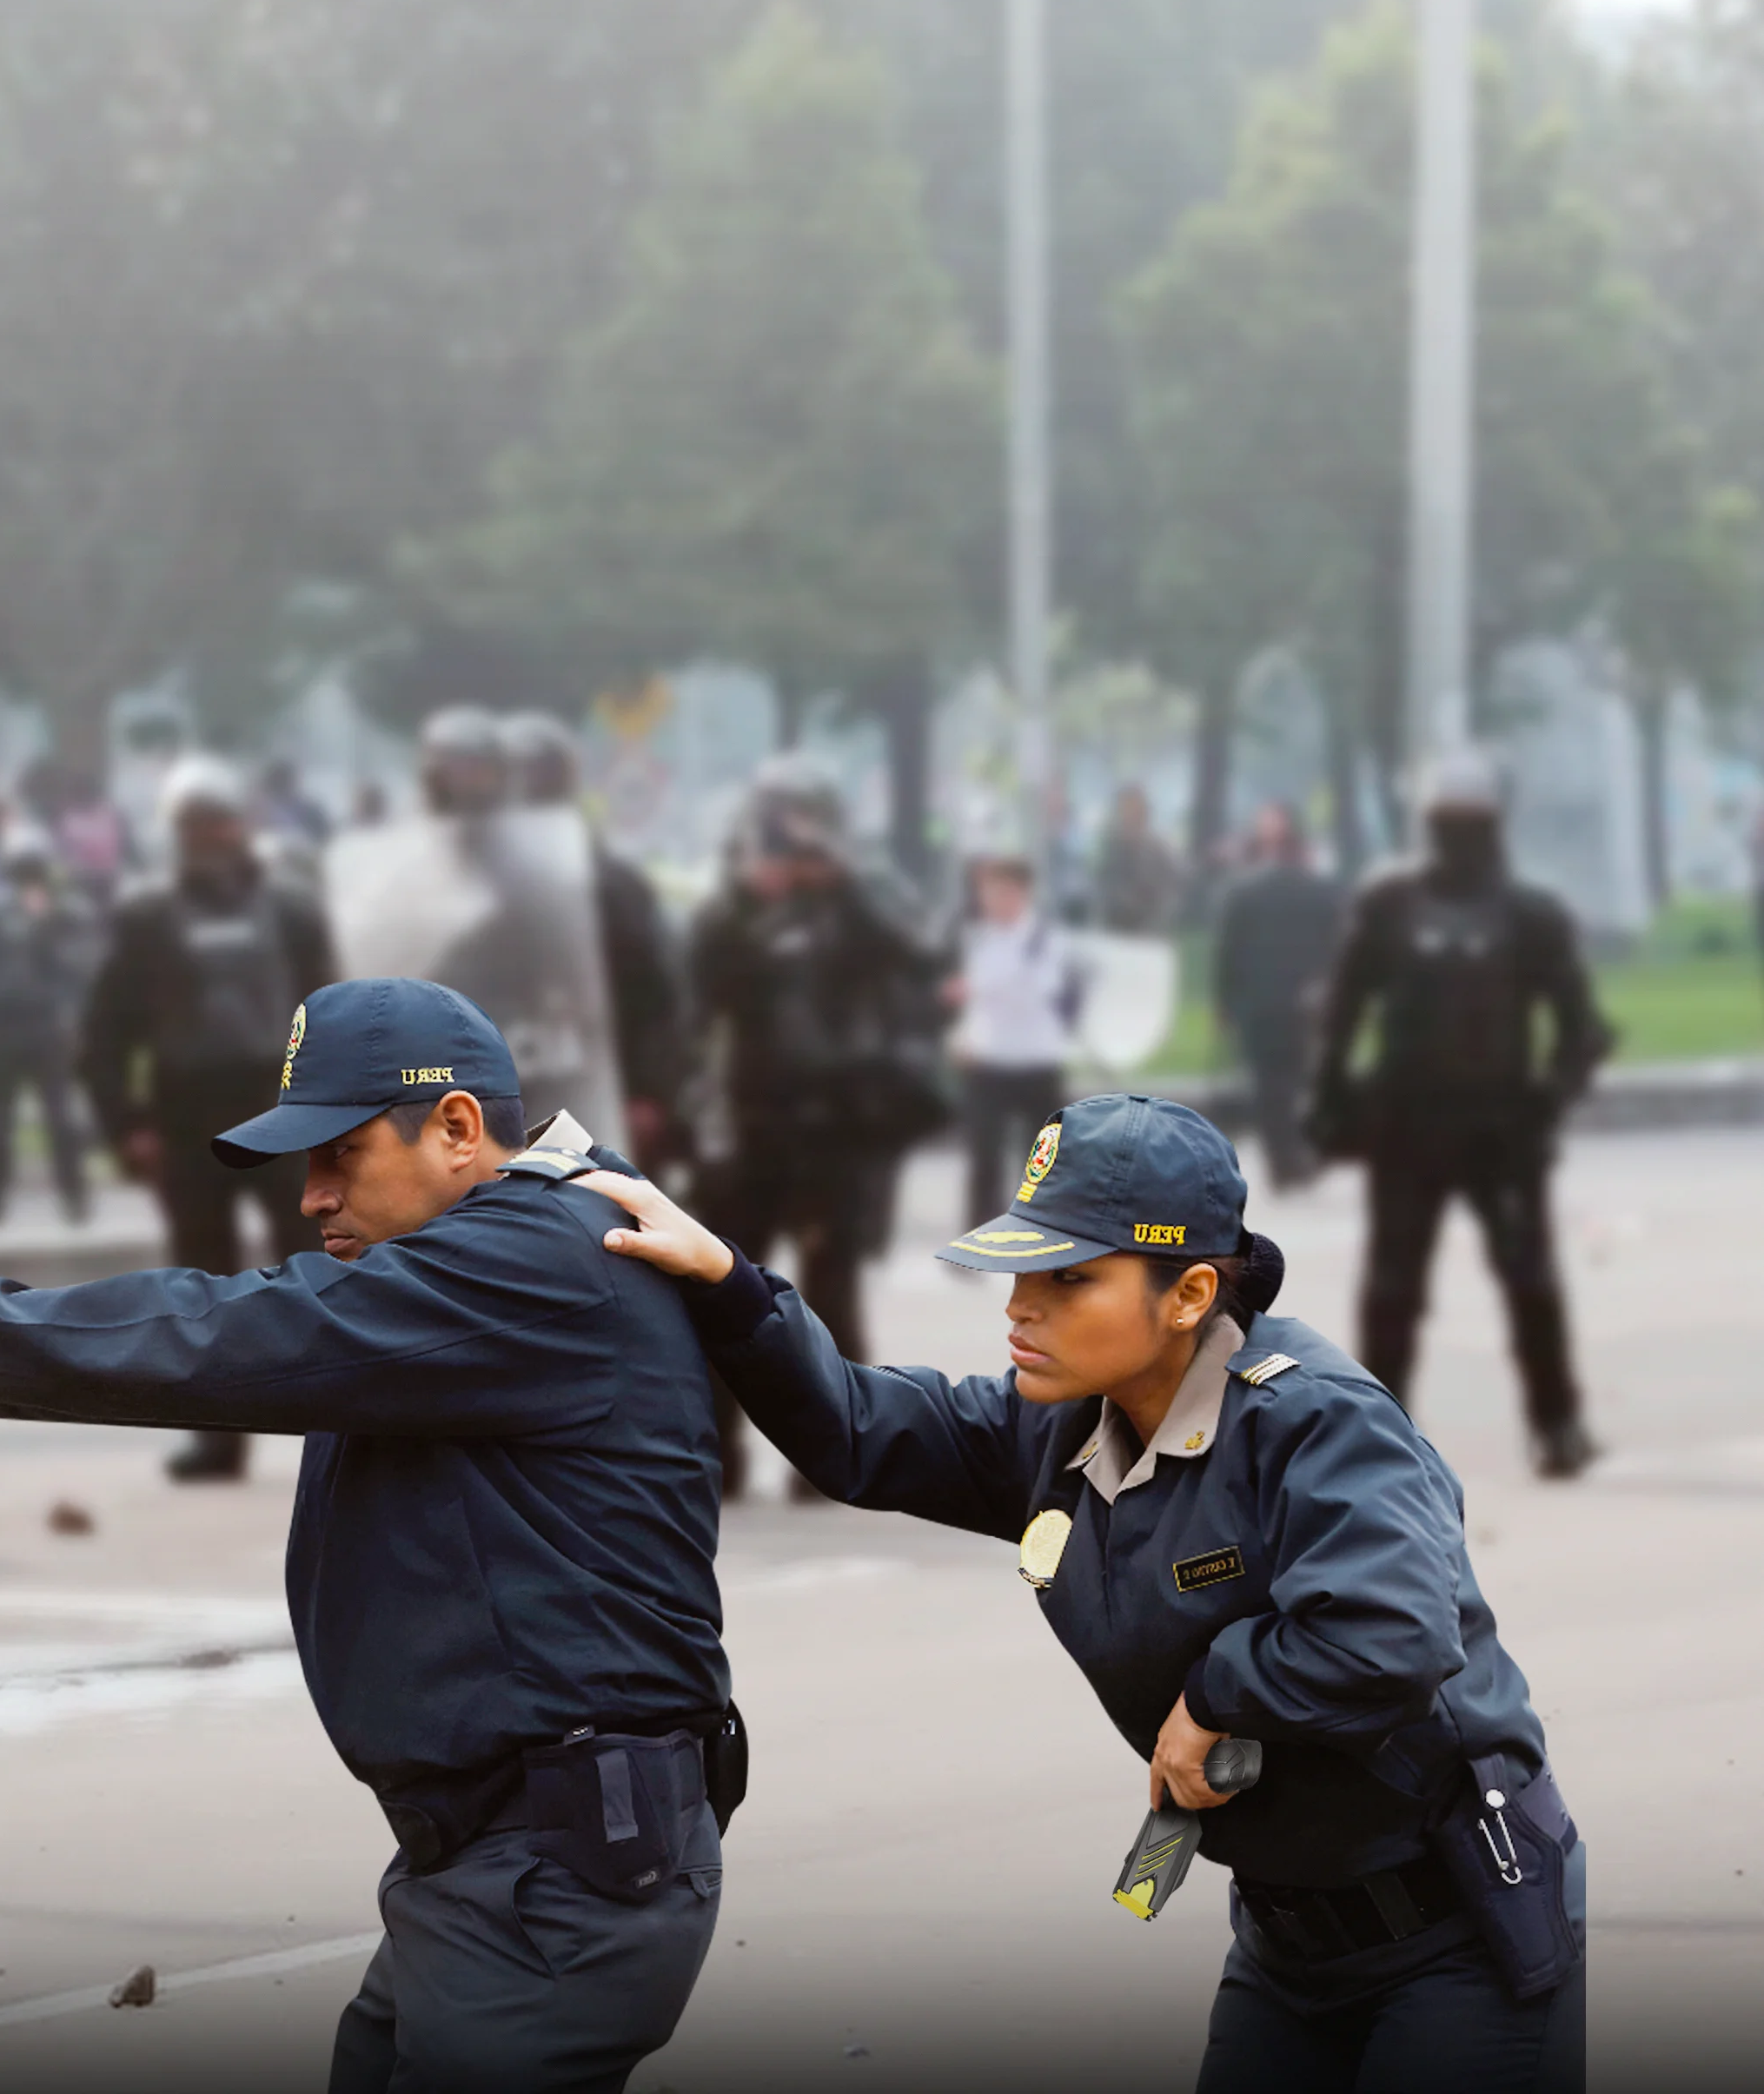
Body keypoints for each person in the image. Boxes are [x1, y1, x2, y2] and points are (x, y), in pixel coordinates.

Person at [0, 980, 739, 2094]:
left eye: (339, 1154)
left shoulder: (531, 1259)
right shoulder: (503, 1257)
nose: (309, 1197)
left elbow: (232, 1334)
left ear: (455, 1127)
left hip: (556, 1881)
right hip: (499, 1865)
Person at [586, 1094, 1583, 2094]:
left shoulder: (1315, 1421)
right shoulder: (1061, 1427)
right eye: (1022, 1271)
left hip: (1457, 1931)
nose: (1022, 1306)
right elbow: (857, 1427)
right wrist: (725, 1281)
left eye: (1070, 1279)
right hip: (1290, 1944)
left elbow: (1390, 1634)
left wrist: (1213, 1699)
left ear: (1189, 1292)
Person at [1309, 753, 1611, 1481]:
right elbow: (1344, 1009)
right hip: (1442, 1125)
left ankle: (1544, 1422)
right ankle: (1553, 1425)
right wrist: (1332, 1092)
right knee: (1424, 1284)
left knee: (1442, 1282)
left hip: (1474, 1126)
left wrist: (1550, 1096)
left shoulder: (1514, 914)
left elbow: (1577, 1028)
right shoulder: (1411, 908)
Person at [684, 758, 949, 1499]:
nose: (789, 851)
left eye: (803, 831)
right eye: (776, 831)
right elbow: (692, 1008)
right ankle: (719, 1452)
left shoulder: (853, 908)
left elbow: (923, 954)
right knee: (723, 1290)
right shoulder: (728, 917)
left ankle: (834, 1449)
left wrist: (845, 885)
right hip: (750, 1130)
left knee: (829, 1296)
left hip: (835, 1130)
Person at [80, 757, 335, 1482]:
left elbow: (333, 1008)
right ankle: (219, 1437)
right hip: (189, 1115)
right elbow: (106, 1030)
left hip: (283, 1109)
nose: (208, 836)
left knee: (318, 1266)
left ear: (241, 825)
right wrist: (126, 1123)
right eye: (193, 825)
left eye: (217, 822)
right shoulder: (148, 915)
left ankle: (346, 1423)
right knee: (200, 1285)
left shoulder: (291, 906)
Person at [505, 709, 687, 1163]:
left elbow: (658, 995)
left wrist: (649, 1093)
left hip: (592, 1090)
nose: (528, 792)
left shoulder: (610, 886)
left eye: (539, 778)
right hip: (493, 1090)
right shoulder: (465, 888)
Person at [0, 827, 97, 1226]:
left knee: (61, 1116)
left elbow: (79, 968)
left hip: (47, 1025)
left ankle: (74, 1197)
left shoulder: (68, 912)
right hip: (4, 1024)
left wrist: (45, 927)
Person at [1214, 804, 1346, 1189]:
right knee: (1295, 1079)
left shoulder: (1242, 893)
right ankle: (1293, 1155)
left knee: (1266, 1083)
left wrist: (1224, 1003)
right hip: (1303, 1001)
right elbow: (1338, 946)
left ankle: (1279, 1159)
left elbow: (1229, 952)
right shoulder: (1320, 892)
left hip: (1257, 1003)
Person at [950, 845, 1080, 1231]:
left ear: (1021, 893)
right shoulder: (981, 937)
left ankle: (1043, 1232)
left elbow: (1036, 992)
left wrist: (979, 988)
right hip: (989, 1061)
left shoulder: (1046, 940)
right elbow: (977, 1006)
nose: (990, 901)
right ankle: (980, 1233)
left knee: (1041, 1159)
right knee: (983, 1155)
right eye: (986, 892)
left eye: (1000, 892)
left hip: (1037, 1061)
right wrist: (966, 1034)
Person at [1094, 782, 1187, 935]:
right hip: (1114, 931)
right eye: (1124, 810)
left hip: (1148, 934)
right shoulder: (1111, 849)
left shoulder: (1159, 851)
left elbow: (1170, 896)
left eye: (1134, 810)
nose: (1128, 816)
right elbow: (1103, 891)